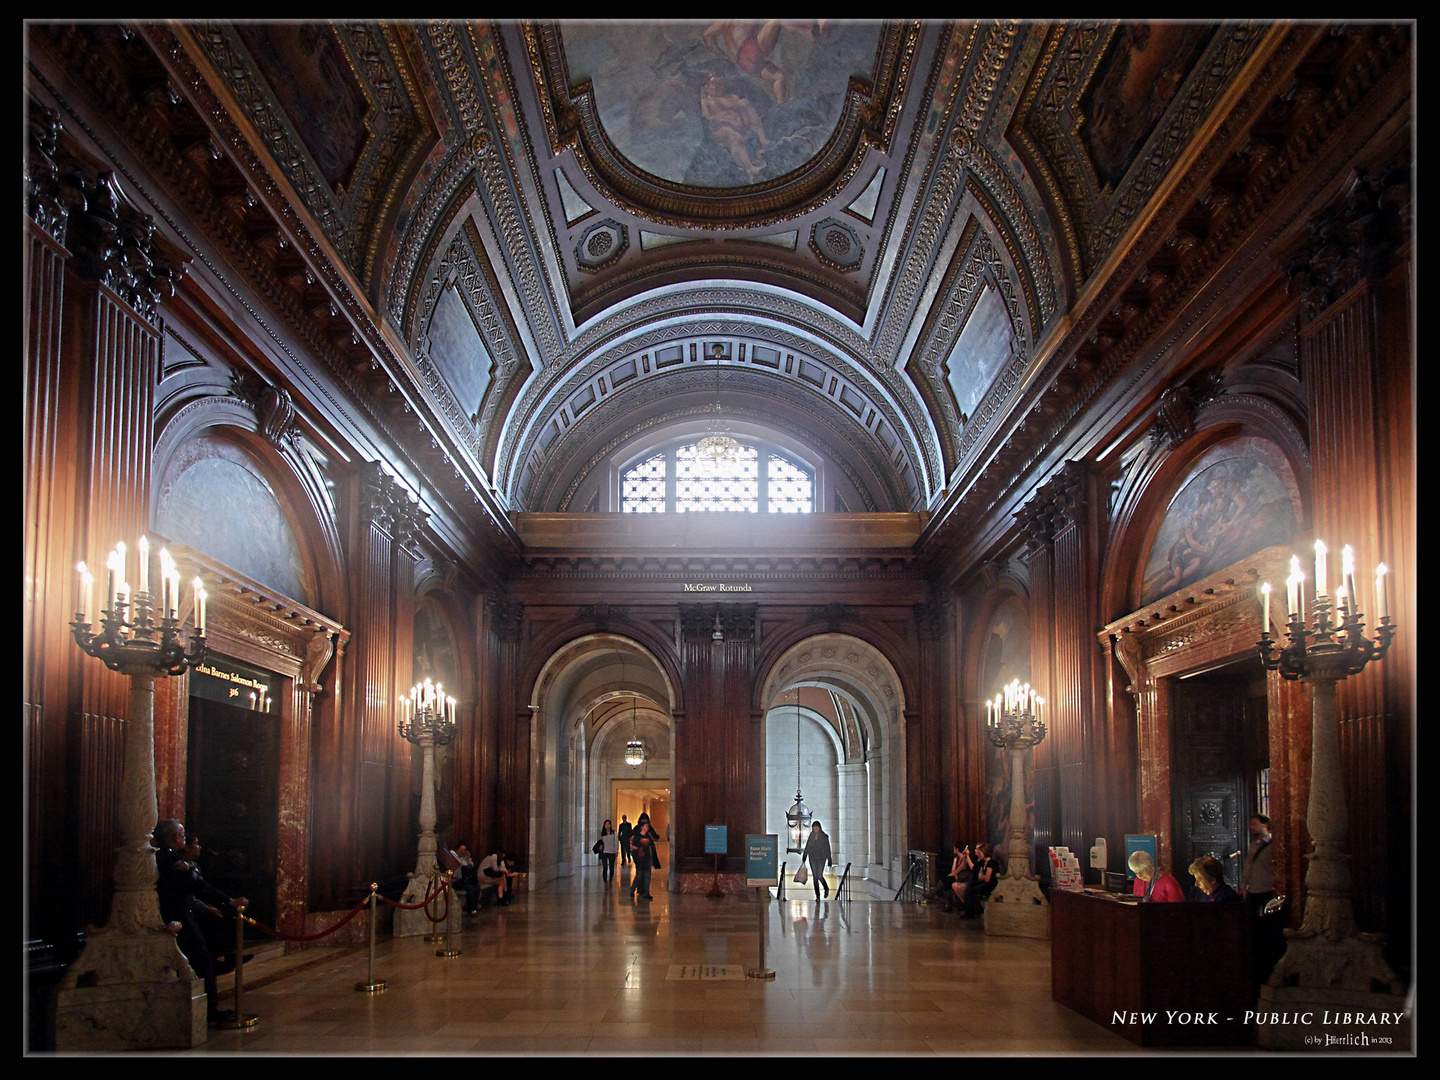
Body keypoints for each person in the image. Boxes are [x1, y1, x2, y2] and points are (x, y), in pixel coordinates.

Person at [154, 818, 249, 1024]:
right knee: (201, 959)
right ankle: (209, 1010)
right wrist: (229, 901)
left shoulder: (162, 857)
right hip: (179, 916)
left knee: (202, 955)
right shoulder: (172, 861)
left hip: (178, 914)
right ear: (175, 837)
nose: (184, 838)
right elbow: (199, 887)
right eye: (182, 834)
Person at [1240, 814, 1275, 911]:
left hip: (1267, 889)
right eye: (1251, 825)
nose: (1252, 828)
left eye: (1255, 824)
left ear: (1265, 825)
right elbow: (1249, 866)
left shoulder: (1274, 845)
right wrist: (1244, 885)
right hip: (1253, 889)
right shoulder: (1254, 845)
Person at [628, 813, 659, 901]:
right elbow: (632, 846)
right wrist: (638, 849)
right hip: (640, 858)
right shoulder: (637, 836)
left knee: (647, 876)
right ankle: (632, 889)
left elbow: (651, 844)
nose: (647, 827)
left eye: (648, 826)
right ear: (642, 827)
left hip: (647, 858)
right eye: (646, 826)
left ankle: (646, 893)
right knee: (639, 875)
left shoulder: (648, 835)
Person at [962, 842, 998, 916]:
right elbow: (979, 875)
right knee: (969, 885)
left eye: (980, 853)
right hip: (983, 881)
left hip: (990, 883)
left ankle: (975, 910)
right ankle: (968, 909)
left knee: (974, 890)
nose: (978, 854)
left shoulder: (991, 863)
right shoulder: (982, 862)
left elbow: (987, 879)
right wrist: (982, 876)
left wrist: (982, 876)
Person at [800, 820, 833, 900]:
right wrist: (804, 855)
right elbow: (808, 846)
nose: (815, 830)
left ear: (819, 828)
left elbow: (827, 848)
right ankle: (817, 895)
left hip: (821, 858)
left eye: (817, 828)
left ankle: (826, 888)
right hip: (812, 858)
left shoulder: (824, 836)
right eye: (814, 829)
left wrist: (829, 859)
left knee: (819, 875)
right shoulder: (811, 836)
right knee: (815, 877)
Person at [451, 843, 480, 915]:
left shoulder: (465, 858)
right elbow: (460, 864)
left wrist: (468, 858)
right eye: (462, 850)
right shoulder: (453, 854)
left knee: (477, 887)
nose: (463, 852)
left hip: (464, 879)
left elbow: (471, 865)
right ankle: (472, 910)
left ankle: (473, 906)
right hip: (455, 880)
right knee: (470, 888)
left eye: (464, 850)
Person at [597, 819, 619, 884]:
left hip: (612, 851)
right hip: (604, 852)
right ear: (604, 825)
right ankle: (605, 880)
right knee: (605, 867)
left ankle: (610, 879)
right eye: (606, 824)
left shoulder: (613, 833)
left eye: (608, 824)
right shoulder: (602, 834)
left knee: (611, 867)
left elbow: (616, 842)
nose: (607, 825)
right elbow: (599, 842)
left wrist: (616, 851)